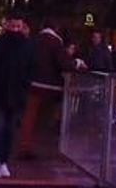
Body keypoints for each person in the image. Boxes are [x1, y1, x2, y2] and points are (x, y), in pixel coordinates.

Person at [0, 10, 33, 178]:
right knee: (0, 129)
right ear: (8, 25)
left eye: (17, 26)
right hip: (3, 92)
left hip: (14, 93)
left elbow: (30, 68)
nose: (15, 29)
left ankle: (2, 162)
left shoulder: (25, 45)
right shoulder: (0, 43)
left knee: (9, 130)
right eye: (13, 26)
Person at [19, 18, 77, 156]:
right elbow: (63, 64)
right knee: (47, 118)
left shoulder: (34, 40)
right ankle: (45, 147)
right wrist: (76, 63)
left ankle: (24, 146)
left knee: (29, 116)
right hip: (50, 87)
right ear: (56, 28)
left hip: (32, 84)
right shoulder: (56, 42)